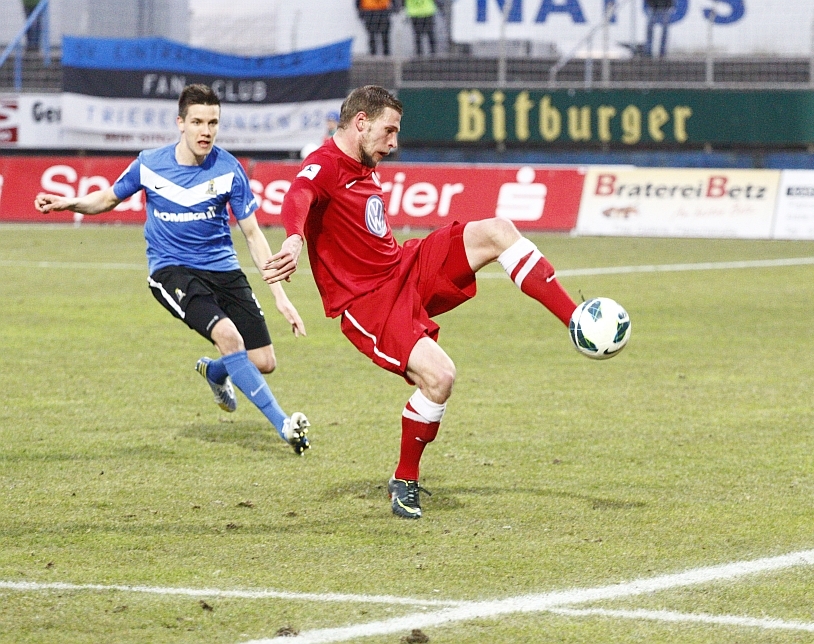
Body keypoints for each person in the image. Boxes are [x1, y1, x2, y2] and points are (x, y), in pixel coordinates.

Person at [263, 85, 580, 519]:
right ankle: (405, 479)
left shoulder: (364, 164)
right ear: (361, 122)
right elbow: (298, 194)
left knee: (498, 231)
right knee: (440, 377)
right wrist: (295, 239)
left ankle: (577, 321)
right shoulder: (326, 163)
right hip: (369, 303)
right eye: (389, 131)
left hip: (403, 267)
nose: (394, 143)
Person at [34, 84, 311, 455]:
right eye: (197, 122)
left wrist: (280, 296)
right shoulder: (150, 163)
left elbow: (253, 235)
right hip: (172, 270)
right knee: (228, 336)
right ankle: (285, 426)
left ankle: (215, 371)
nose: (205, 131)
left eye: (212, 123)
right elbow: (107, 198)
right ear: (180, 123)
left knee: (263, 361)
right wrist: (67, 203)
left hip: (223, 270)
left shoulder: (230, 170)